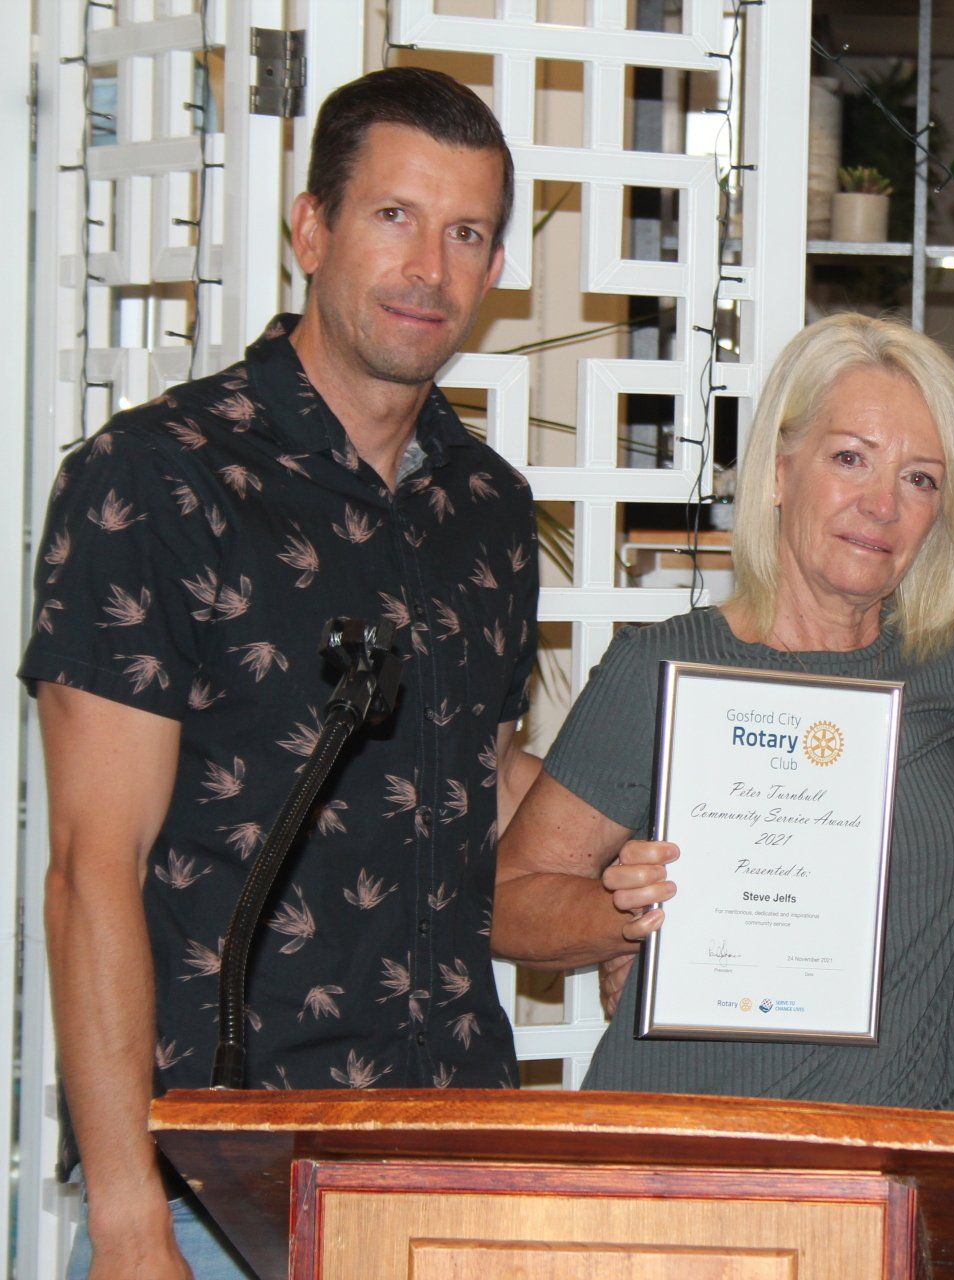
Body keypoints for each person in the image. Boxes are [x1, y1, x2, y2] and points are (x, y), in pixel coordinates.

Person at [23, 68, 541, 1278]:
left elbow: (479, 772)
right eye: (393, 217)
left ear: (496, 265)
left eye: (465, 232)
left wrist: (638, 869)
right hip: (221, 1178)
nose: (430, 268)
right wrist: (129, 1218)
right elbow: (90, 870)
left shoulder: (490, 509)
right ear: (311, 228)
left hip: (452, 1158)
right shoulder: (156, 478)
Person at [491, 312, 954, 1108]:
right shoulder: (660, 668)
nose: (882, 504)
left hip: (904, 1151)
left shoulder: (945, 668)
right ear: (779, 472)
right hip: (697, 1150)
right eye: (850, 458)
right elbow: (507, 903)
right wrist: (625, 913)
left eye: (920, 477)